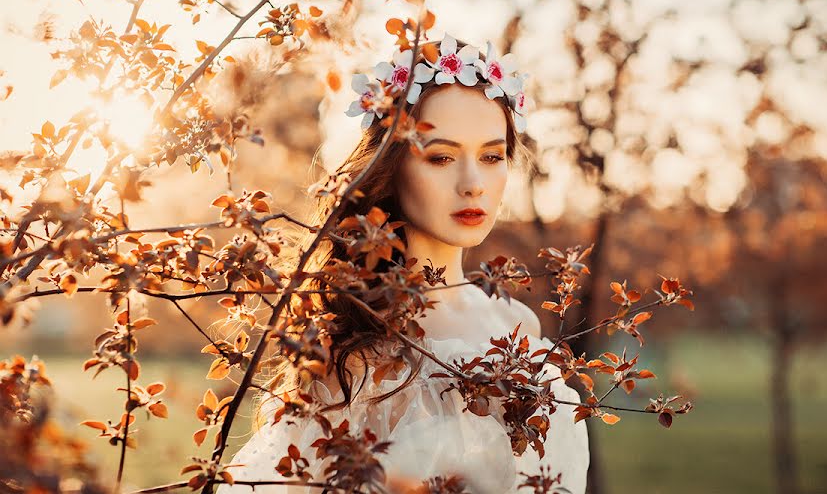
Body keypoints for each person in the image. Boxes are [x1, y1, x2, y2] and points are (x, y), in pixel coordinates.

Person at [216, 34, 590, 494]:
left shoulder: (518, 327)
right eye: (441, 157)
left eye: (492, 156)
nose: (473, 183)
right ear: (390, 167)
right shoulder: (357, 344)